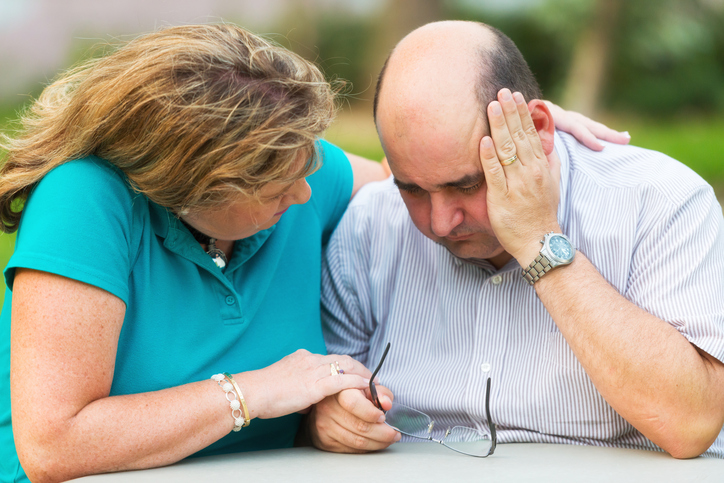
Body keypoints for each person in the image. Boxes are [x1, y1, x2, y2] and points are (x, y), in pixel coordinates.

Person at [0, 23, 625, 482]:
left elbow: (417, 178)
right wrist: (253, 393)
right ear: (190, 186)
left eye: (306, 164)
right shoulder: (85, 202)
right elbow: (54, 445)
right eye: (276, 186)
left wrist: (512, 127)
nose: (306, 191)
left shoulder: (302, 177)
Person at [312, 21, 724, 458]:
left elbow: (691, 423)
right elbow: (329, 396)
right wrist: (329, 417)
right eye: (411, 189)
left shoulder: (659, 202)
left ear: (538, 129)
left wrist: (539, 241)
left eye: (467, 186)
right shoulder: (369, 222)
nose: (439, 223)